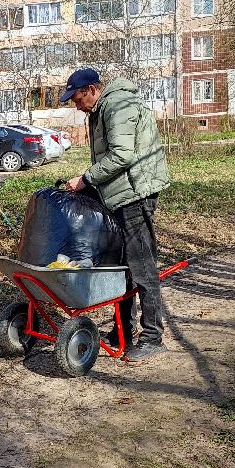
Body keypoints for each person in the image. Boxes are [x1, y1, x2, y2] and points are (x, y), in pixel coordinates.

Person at [60, 68, 170, 364]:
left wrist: (86, 179)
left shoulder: (118, 105)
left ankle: (152, 336)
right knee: (120, 264)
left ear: (93, 90)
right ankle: (124, 330)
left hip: (135, 193)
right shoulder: (102, 108)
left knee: (141, 263)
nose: (76, 105)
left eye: (78, 98)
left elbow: (123, 155)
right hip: (120, 193)